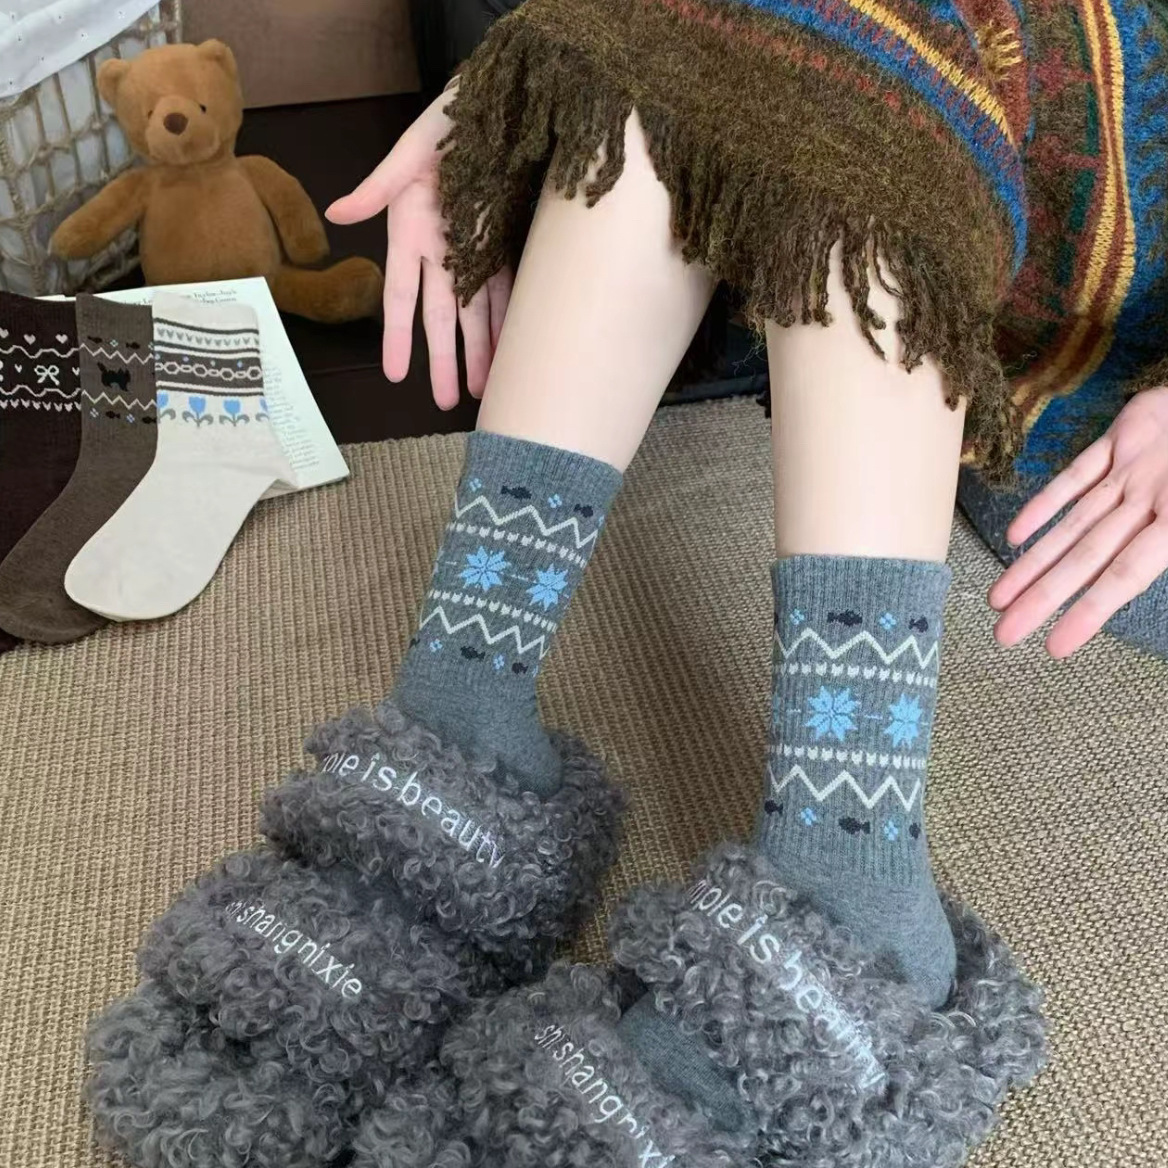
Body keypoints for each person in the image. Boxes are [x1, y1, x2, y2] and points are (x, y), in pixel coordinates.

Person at [351, 0, 1165, 1162]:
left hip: (1103, 337)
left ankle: (851, 863)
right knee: (749, 30)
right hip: (892, 175)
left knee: (862, 35)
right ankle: (462, 697)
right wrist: (533, 60)